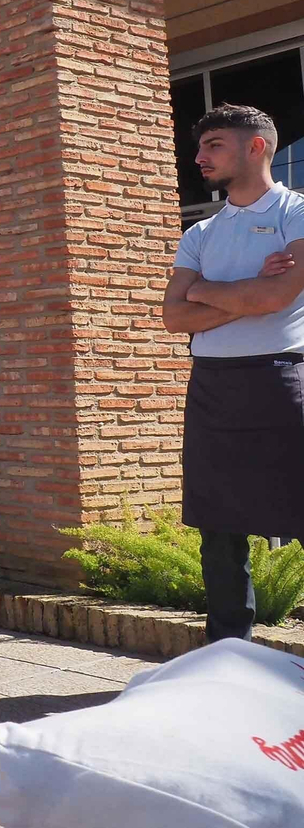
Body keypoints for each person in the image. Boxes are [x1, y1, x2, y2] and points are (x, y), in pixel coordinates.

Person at [162, 104, 304, 645]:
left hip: (280, 380)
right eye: (200, 148)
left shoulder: (296, 212)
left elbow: (275, 296)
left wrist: (204, 291)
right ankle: (226, 655)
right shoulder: (200, 232)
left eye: (214, 144)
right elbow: (174, 316)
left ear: (256, 146)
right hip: (212, 386)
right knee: (218, 531)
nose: (199, 157)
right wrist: (245, 296)